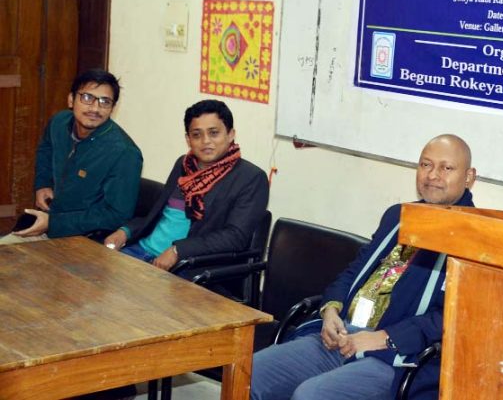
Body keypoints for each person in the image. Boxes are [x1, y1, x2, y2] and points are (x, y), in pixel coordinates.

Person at [250, 134, 477, 400]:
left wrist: (386, 337)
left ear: (469, 177)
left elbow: (455, 316)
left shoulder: (475, 236)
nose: (433, 175)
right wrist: (331, 310)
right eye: (426, 165)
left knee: (311, 395)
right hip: (340, 336)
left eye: (446, 168)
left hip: (394, 357)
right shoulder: (398, 215)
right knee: (249, 373)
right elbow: (354, 270)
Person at [103, 99, 269, 272]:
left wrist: (178, 250)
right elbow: (157, 215)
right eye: (197, 135)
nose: (206, 141)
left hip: (186, 266)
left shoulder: (251, 178)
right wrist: (125, 231)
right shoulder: (183, 164)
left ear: (230, 134)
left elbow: (235, 237)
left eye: (214, 133)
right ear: (188, 139)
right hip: (141, 250)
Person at [1, 69, 142, 244]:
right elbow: (46, 149)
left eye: (105, 102)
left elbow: (116, 215)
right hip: (48, 223)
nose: (95, 108)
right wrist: (42, 183)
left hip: (85, 240)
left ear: (113, 108)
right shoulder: (59, 122)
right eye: (87, 98)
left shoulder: (124, 153)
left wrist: (53, 223)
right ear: (71, 99)